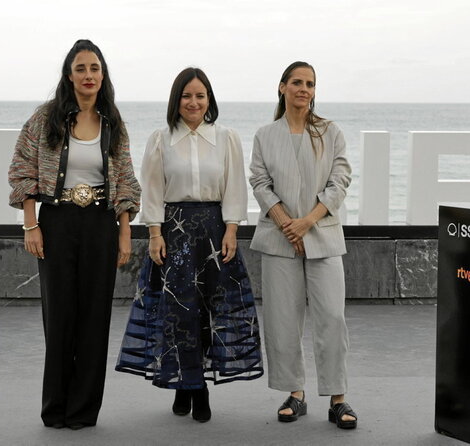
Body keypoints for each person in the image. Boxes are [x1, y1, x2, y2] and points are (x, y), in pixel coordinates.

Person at [116, 67, 263, 423]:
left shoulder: (227, 137)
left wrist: (232, 231)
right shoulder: (160, 139)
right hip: (175, 234)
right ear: (176, 100)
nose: (193, 102)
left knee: (210, 312)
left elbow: (234, 189)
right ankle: (188, 385)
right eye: (186, 95)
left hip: (214, 234)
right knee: (179, 312)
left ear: (209, 99)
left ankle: (197, 387)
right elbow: (151, 189)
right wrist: (154, 234)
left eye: (200, 95)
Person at [8, 39, 141, 430]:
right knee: (60, 315)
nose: (88, 75)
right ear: (69, 74)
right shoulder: (45, 118)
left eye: (94, 68)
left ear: (103, 75)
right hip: (56, 223)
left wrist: (124, 232)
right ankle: (56, 409)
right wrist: (31, 224)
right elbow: (21, 171)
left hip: (100, 223)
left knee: (95, 317)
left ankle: (83, 412)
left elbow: (127, 182)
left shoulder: (112, 122)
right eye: (81, 68)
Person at [249, 61, 357, 429]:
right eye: (297, 82)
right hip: (279, 240)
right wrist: (286, 224)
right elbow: (260, 182)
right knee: (282, 320)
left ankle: (338, 398)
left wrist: (307, 222)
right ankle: (295, 393)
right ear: (282, 87)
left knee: (332, 317)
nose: (304, 89)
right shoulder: (266, 135)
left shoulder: (331, 132)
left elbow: (340, 179)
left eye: (310, 84)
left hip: (323, 236)